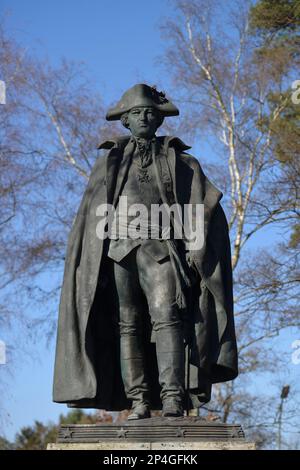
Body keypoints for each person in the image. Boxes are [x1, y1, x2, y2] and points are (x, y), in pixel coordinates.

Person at [53, 84, 238, 420]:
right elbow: (91, 217)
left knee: (167, 318)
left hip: (161, 247)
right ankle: (137, 399)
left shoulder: (182, 163)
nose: (144, 117)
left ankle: (171, 398)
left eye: (150, 112)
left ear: (159, 119)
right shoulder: (108, 163)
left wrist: (195, 247)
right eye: (136, 113)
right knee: (128, 324)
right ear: (125, 120)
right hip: (118, 251)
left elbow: (199, 205)